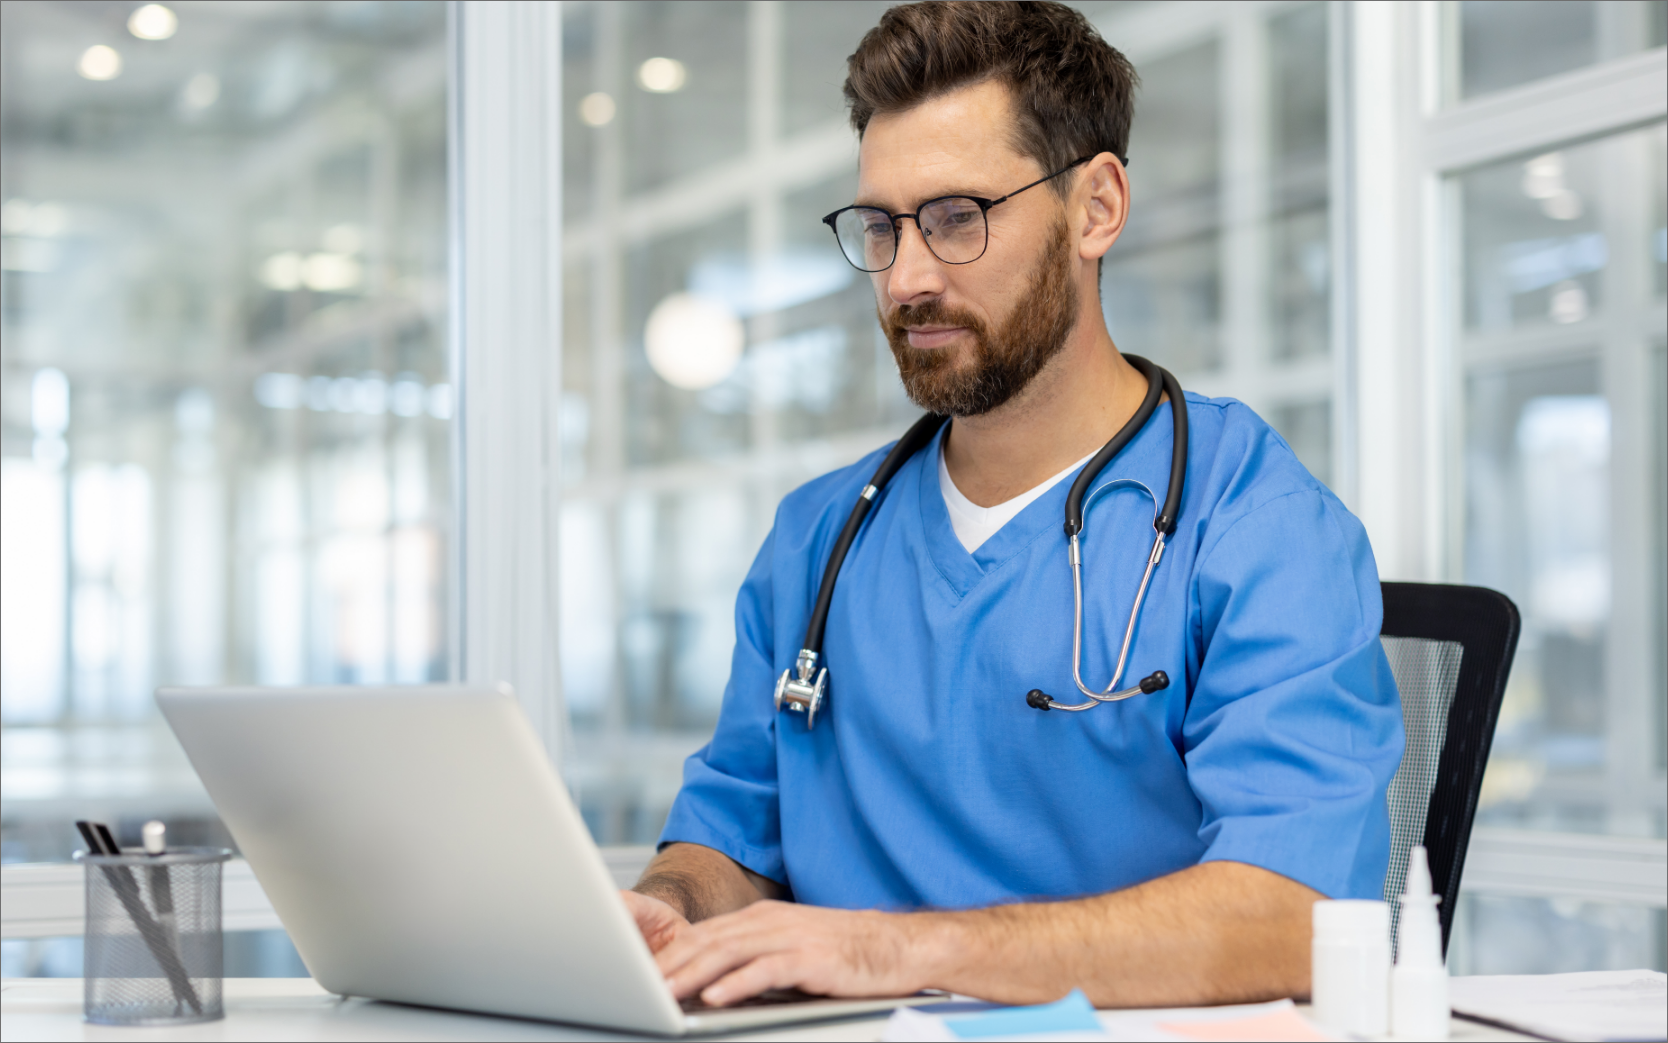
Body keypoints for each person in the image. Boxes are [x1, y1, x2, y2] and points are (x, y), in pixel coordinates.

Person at [621, 0, 1404, 1010]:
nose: (905, 277)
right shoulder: (819, 536)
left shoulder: (1257, 526)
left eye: (956, 218)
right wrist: (669, 904)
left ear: (1096, 208)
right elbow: (732, 831)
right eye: (881, 226)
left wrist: (890, 951)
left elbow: (1294, 916)